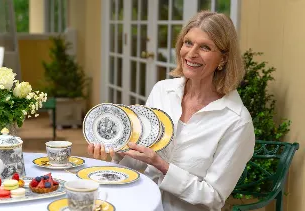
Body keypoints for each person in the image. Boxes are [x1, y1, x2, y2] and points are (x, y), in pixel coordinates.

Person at [87, 11, 255, 211]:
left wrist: (161, 165)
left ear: (223, 59)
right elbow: (138, 162)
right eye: (188, 43)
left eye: (205, 47)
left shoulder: (236, 121)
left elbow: (214, 196)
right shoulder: (162, 91)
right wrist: (117, 151)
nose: (191, 54)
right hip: (139, 202)